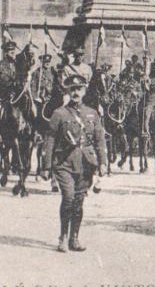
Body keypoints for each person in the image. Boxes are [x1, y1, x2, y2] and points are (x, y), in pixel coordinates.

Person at [42, 74, 107, 253]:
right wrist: (47, 166)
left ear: (85, 91)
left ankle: (74, 238)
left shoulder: (92, 113)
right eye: (72, 89)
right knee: (68, 197)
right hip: (64, 162)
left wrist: (103, 162)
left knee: (78, 202)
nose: (76, 92)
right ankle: (62, 237)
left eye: (79, 89)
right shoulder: (59, 114)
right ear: (67, 92)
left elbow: (100, 139)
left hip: (86, 162)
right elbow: (50, 140)